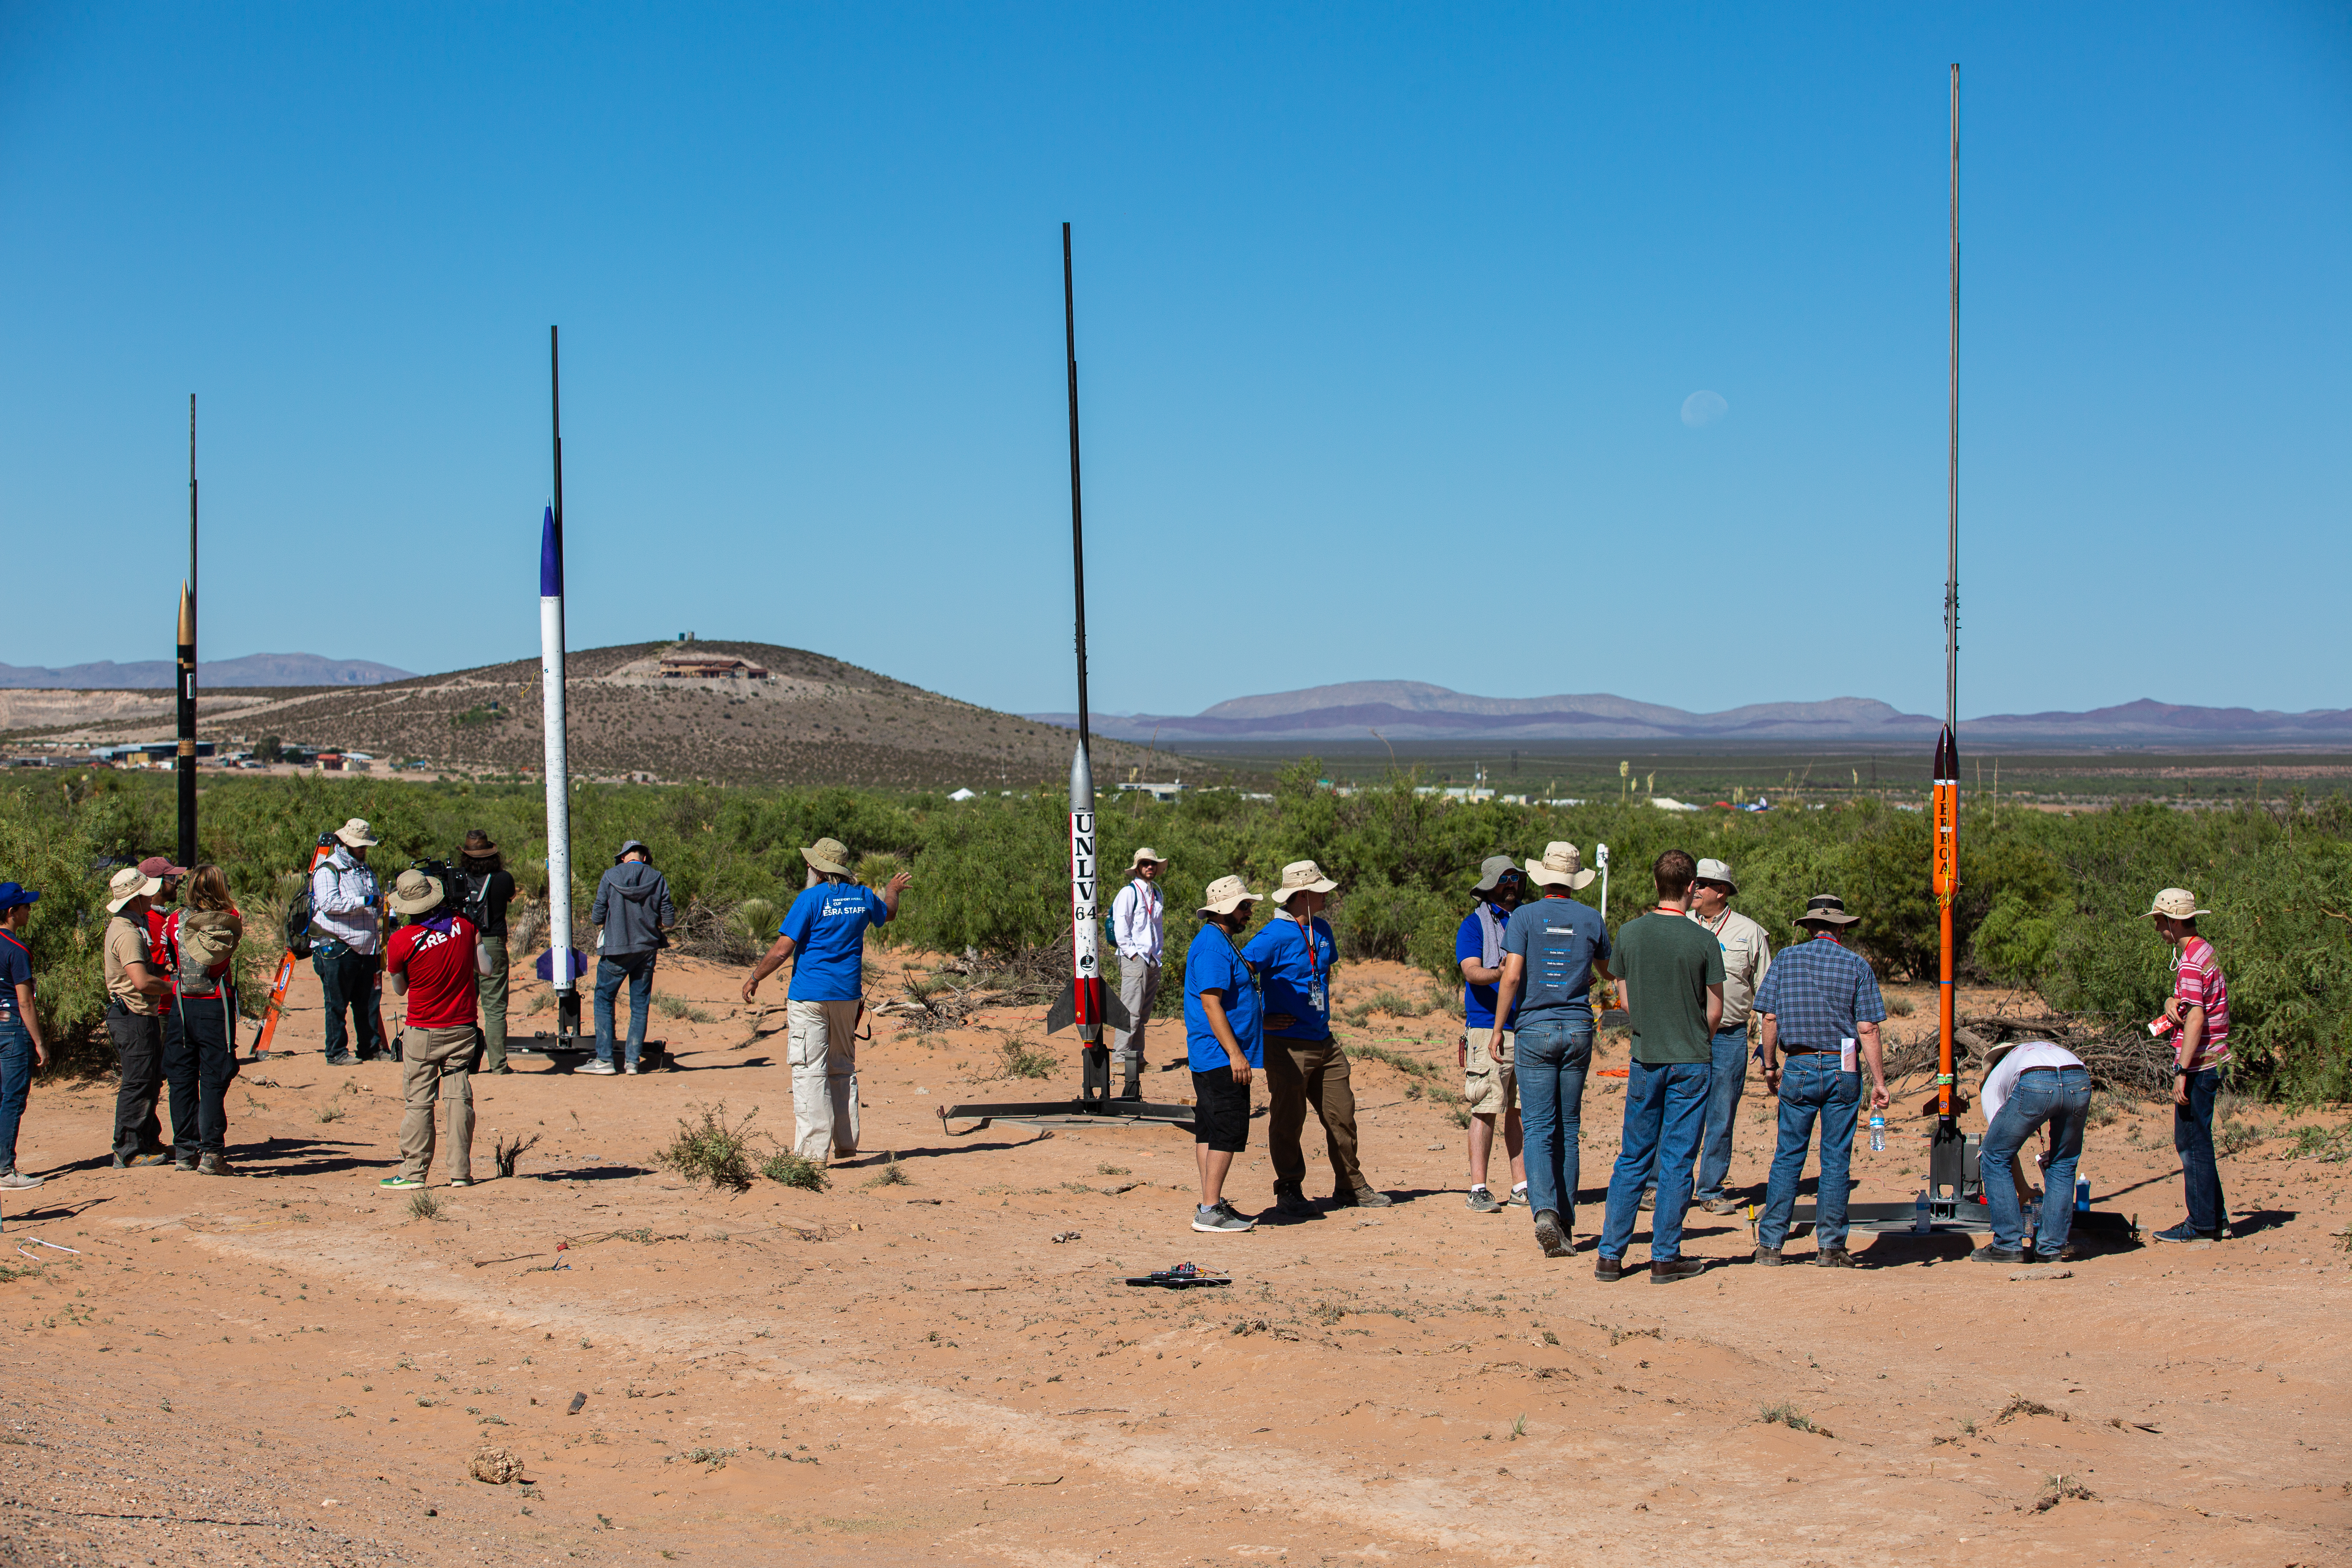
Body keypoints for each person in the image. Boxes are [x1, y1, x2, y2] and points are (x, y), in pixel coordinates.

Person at [1596, 850, 1724, 1284]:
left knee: (1633, 1156)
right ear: (1692, 887)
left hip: (1645, 1057)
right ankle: (1664, 1256)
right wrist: (1691, 1033)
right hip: (1691, 1060)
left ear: (1656, 884)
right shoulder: (1704, 940)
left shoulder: (1630, 934)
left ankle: (1610, 1255)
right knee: (1676, 1161)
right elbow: (1716, 1011)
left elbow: (1626, 1002)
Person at [741, 837, 909, 1158]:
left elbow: (781, 951)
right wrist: (892, 890)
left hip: (809, 996)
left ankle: (811, 1153)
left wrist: (754, 978)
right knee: (842, 1067)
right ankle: (846, 1144)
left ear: (817, 868)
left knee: (808, 1069)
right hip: (847, 995)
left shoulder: (810, 899)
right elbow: (888, 913)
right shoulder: (862, 896)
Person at [1752, 894, 1891, 1268]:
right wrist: (1879, 1082)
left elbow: (1769, 1018)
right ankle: (1831, 1246)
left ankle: (1771, 1244)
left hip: (1797, 1066)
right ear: (1841, 929)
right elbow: (1868, 1028)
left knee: (1788, 1156)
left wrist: (1769, 1065)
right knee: (1835, 1158)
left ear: (1810, 927)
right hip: (1842, 1066)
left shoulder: (1785, 959)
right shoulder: (1857, 965)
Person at [1490, 843, 1612, 1258]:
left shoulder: (1524, 917)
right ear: (1576, 880)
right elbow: (1607, 971)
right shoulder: (1591, 918)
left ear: (1543, 876)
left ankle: (1544, 1213)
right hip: (1578, 1029)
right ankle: (1566, 1221)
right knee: (1568, 1128)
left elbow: (1512, 976)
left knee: (1539, 1128)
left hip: (1533, 1029)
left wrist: (1496, 1030)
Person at [1245, 860, 1383, 1216]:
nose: (1327, 896)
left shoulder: (1322, 930)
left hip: (1324, 1040)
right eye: (1320, 891)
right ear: (1302, 896)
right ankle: (1289, 1189)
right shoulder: (1271, 936)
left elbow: (1321, 973)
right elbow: (1237, 975)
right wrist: (1260, 1021)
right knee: (1288, 1120)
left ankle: (1350, 1185)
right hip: (1287, 1046)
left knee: (1342, 1115)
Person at [1644, 858, 1773, 1215]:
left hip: (1729, 1037)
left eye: (1704, 884)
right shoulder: (1677, 924)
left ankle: (1712, 1189)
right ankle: (1657, 1186)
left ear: (1722, 891)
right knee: (1673, 1113)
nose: (1695, 889)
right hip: (1682, 1034)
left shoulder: (1750, 933)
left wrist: (1767, 1041)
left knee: (1721, 1115)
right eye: (1694, 883)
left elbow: (1766, 994)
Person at [378, 868, 491, 1190]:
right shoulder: (466, 927)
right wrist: (477, 941)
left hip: (423, 1030)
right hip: (463, 1027)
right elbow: (486, 968)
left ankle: (413, 1173)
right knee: (459, 1097)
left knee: (419, 1102)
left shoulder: (400, 941)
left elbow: (400, 989)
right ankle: (460, 1173)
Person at [2147, 887, 2230, 1243]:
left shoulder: (2192, 959)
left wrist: (2182, 1071)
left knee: (2191, 1142)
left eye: (2159, 922)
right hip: (2210, 1060)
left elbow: (2196, 1018)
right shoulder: (2201, 952)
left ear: (2172, 922)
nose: (2157, 929)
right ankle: (2216, 1218)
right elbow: (2193, 1004)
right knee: (2198, 1141)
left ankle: (2201, 1224)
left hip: (2199, 1065)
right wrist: (2171, 1001)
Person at [1184, 875, 1264, 1233]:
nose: (1249, 913)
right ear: (1226, 910)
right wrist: (1236, 1054)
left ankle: (1209, 1202)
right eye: (1244, 907)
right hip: (1219, 1056)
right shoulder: (1213, 947)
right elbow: (1211, 1003)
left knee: (1210, 1128)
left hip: (1214, 1055)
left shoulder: (1220, 942)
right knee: (1227, 1130)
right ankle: (1210, 1209)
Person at [1973, 1037, 2091, 1264]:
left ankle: (2007, 1245)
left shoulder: (1993, 1083)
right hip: (2078, 1077)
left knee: (1992, 1155)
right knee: (2064, 1163)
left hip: (2036, 1081)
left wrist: (2023, 1190)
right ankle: (2051, 1248)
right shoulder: (2032, 1052)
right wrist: (2024, 1189)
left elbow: (1999, 1153)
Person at [157, 864, 243, 1176]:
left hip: (181, 1004)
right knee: (213, 1077)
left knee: (181, 1078)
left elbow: (170, 956)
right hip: (214, 1004)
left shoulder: (174, 919)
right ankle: (212, 1152)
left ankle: (185, 1150)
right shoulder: (229, 917)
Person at [1457, 856, 1528, 1213]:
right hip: (1487, 1028)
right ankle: (1479, 1189)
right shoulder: (1474, 926)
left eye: (1515, 880)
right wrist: (1501, 973)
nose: (1511, 886)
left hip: (1527, 1025)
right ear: (1489, 886)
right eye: (1505, 881)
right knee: (1486, 1107)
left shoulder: (1528, 920)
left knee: (1518, 1111)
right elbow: (1471, 972)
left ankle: (1522, 1187)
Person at [585, 840, 677, 1076]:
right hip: (646, 949)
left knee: (604, 998)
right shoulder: (657, 878)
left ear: (624, 857)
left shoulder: (610, 876)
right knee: (640, 1005)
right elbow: (669, 919)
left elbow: (597, 916)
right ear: (644, 857)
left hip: (616, 949)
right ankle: (633, 1062)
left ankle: (605, 1060)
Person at [102, 865, 172, 1167]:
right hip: (133, 1015)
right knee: (138, 1082)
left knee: (149, 1080)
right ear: (134, 900)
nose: (151, 896)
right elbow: (141, 982)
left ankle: (147, 1141)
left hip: (138, 1014)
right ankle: (127, 1150)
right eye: (145, 893)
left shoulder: (131, 926)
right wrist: (172, 987)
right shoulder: (128, 933)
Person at [310, 819, 384, 1066]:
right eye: (359, 845)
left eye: (365, 845)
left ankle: (370, 1048)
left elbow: (375, 902)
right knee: (337, 1003)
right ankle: (336, 1052)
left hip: (367, 948)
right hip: (337, 947)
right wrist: (365, 901)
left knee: (368, 1003)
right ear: (345, 843)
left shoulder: (365, 870)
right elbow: (328, 904)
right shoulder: (328, 870)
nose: (363, 849)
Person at [0, 883, 50, 1190]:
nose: (29, 911)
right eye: (25, 907)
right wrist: (40, 1042)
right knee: (13, 1098)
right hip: (13, 1029)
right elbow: (25, 1001)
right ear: (11, 912)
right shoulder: (17, 950)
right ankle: (5, 1169)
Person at [455, 831, 517, 1075]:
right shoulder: (503, 878)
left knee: (462, 1005)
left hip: (461, 943)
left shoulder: (457, 880)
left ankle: (462, 1064)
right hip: (492, 943)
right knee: (495, 1009)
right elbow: (511, 897)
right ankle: (499, 1065)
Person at [1108, 848, 1167, 1077]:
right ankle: (1120, 1058)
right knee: (1130, 1010)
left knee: (1143, 1014)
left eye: (1153, 864)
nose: (1150, 867)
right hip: (1135, 958)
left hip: (1152, 958)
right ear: (1138, 867)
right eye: (1145, 864)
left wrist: (1158, 955)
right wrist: (1132, 954)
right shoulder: (1129, 892)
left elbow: (1157, 927)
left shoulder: (1156, 893)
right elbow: (1122, 927)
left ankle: (1137, 1058)